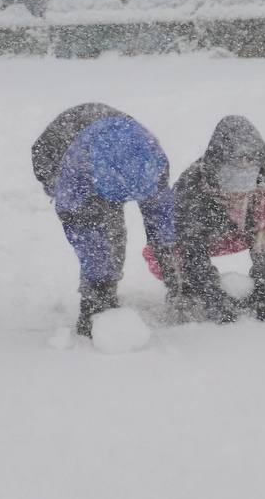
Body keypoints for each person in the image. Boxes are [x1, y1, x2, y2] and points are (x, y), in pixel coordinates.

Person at [144, 115, 265, 323]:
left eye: (247, 177)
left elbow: (264, 244)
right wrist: (213, 297)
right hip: (197, 242)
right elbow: (192, 254)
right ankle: (186, 295)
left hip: (236, 234)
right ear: (215, 169)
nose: (239, 188)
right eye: (231, 177)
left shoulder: (256, 191)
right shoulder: (191, 188)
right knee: (164, 248)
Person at [32, 103, 179, 337]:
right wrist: (99, 286)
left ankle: (111, 283)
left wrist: (171, 262)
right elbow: (85, 235)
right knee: (102, 234)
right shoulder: (75, 175)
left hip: (110, 142)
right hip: (57, 154)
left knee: (142, 226)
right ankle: (100, 295)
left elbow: (160, 212)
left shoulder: (152, 157)